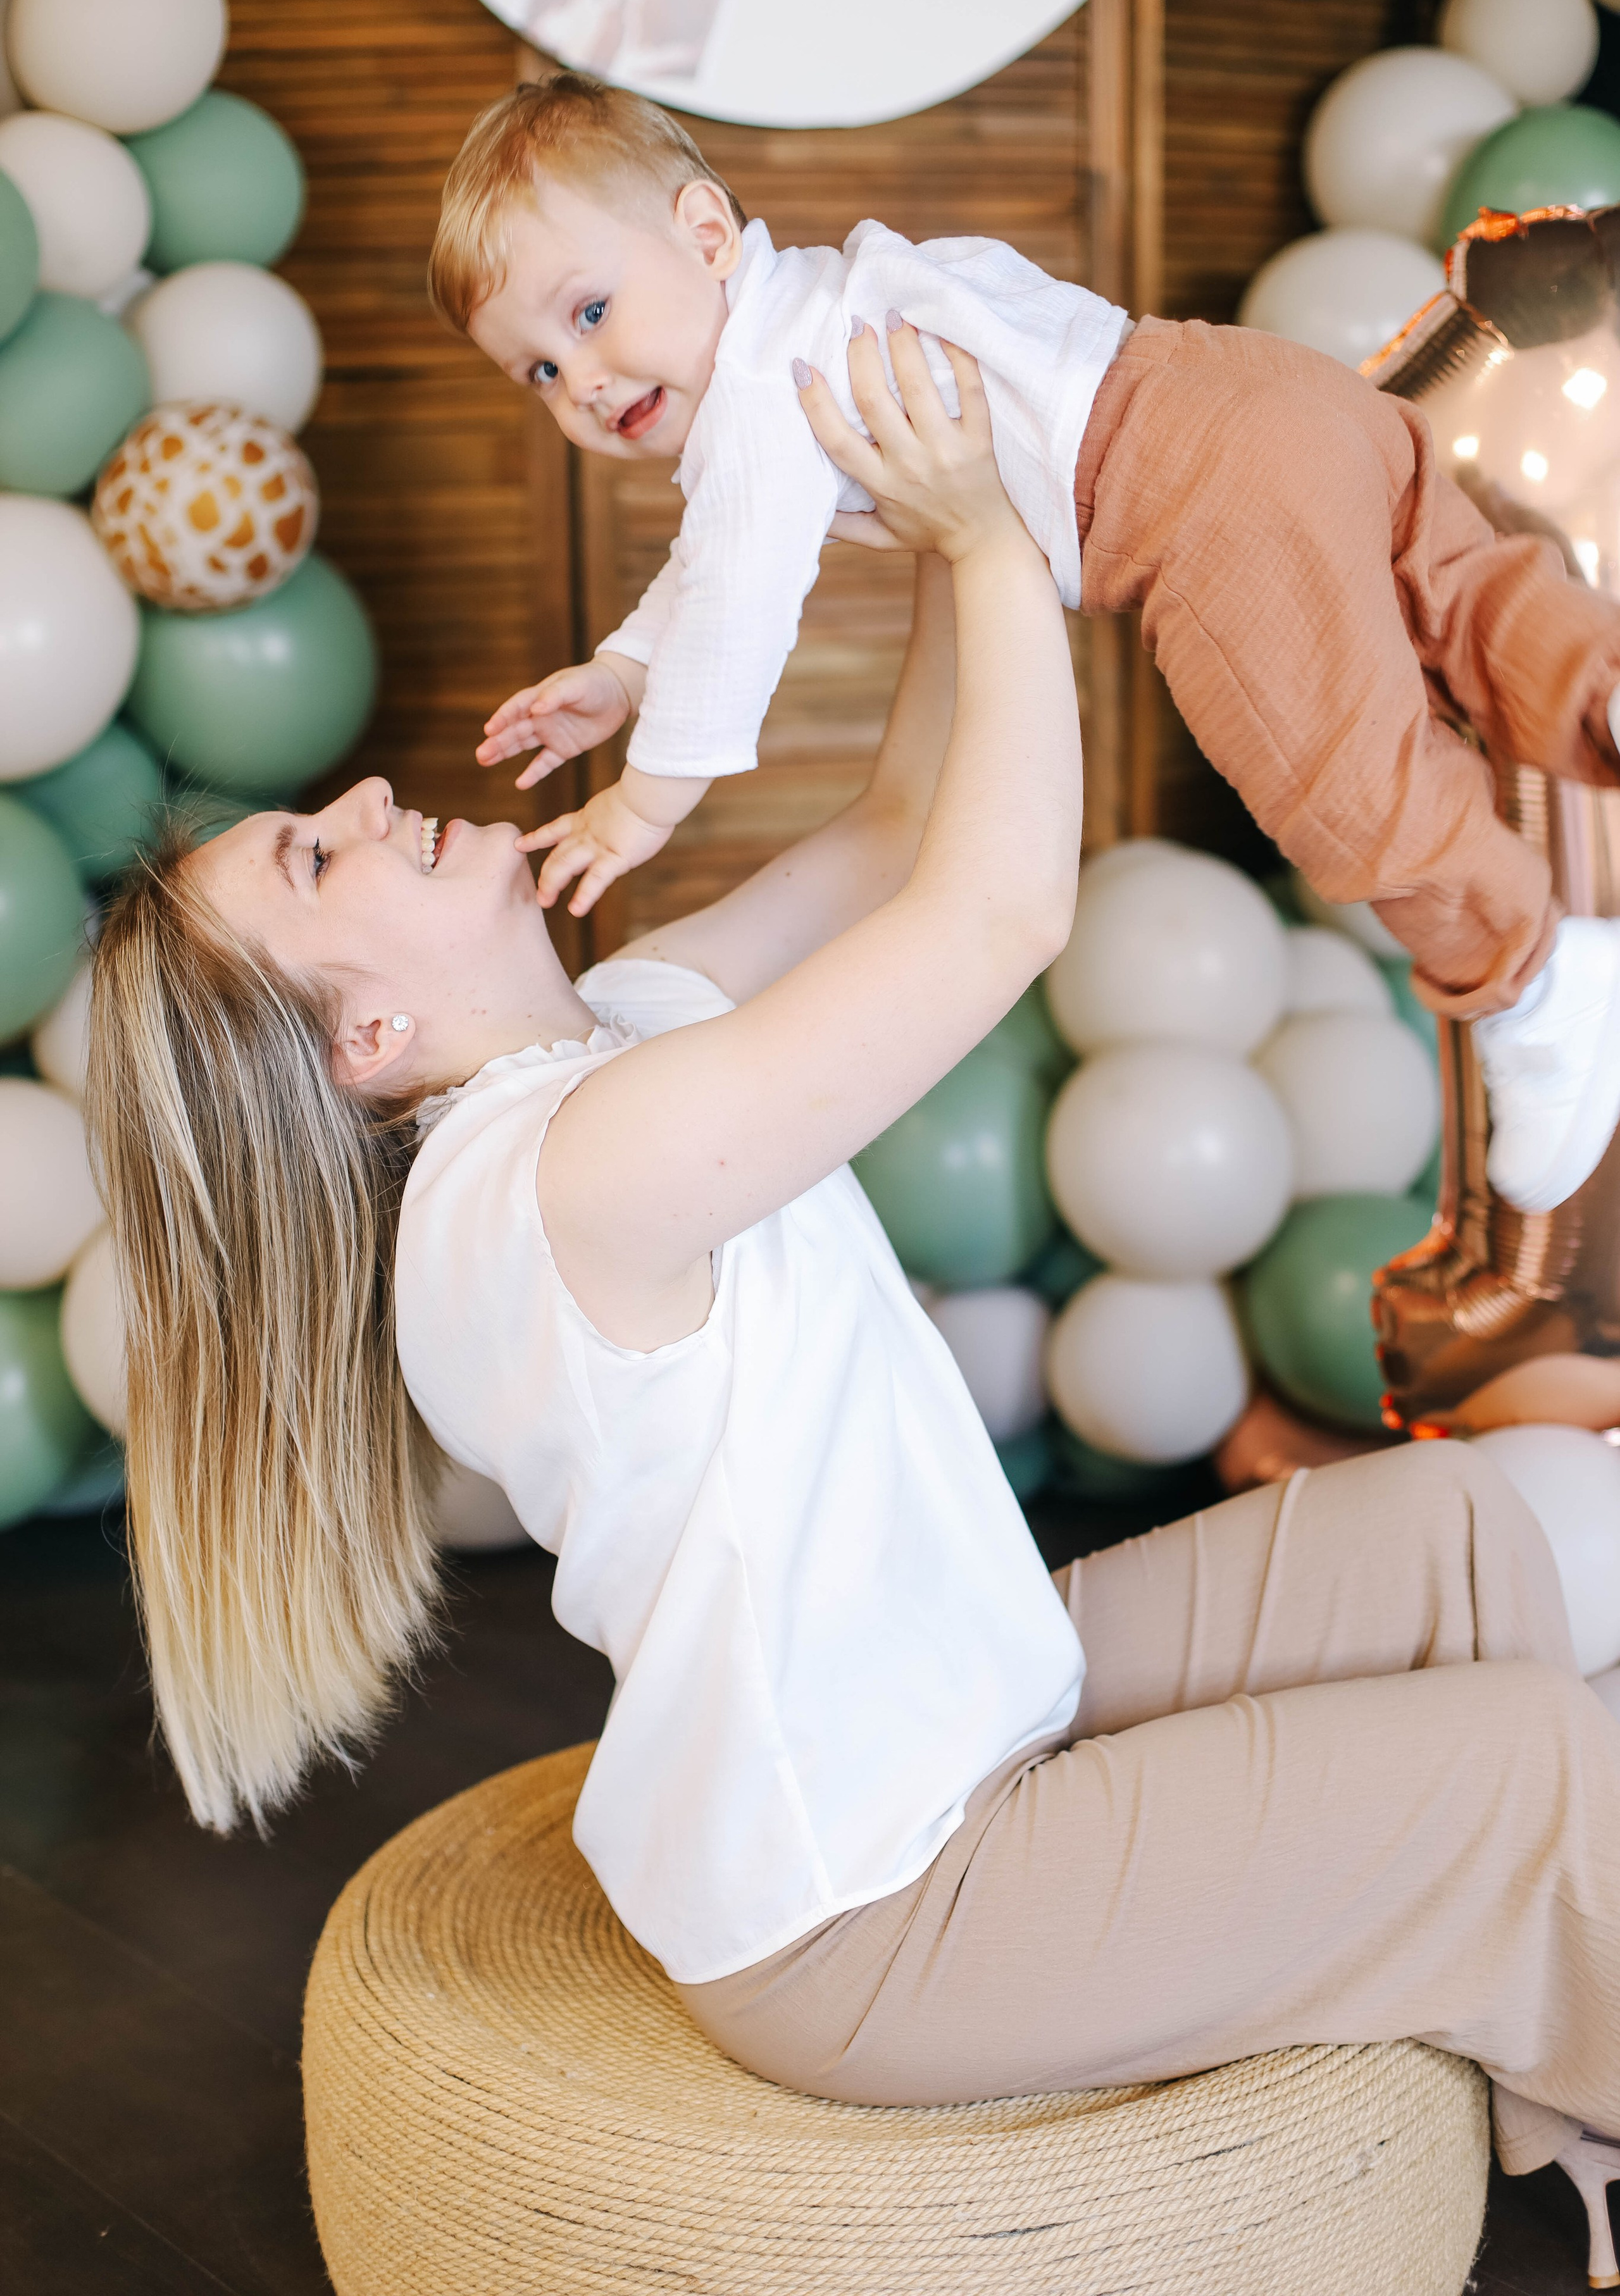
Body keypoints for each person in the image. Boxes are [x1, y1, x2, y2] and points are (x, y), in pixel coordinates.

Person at [87, 329, 1619, 2271]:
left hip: (974, 1700)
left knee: (1505, 1532)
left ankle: (1566, 2045)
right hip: (883, 1909)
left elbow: (900, 835)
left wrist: (954, 510)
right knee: (1531, 1767)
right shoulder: (557, 1186)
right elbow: (998, 917)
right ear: (365, 1036)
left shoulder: (598, 1055)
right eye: (320, 854)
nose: (377, 791)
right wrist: (994, 541)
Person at [430, 70, 1620, 1220]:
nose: (582, 380)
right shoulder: (812, 305)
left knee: (1339, 777)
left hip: (1187, 501)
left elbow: (739, 598)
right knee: (1459, 586)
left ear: (703, 233)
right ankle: (1596, 686)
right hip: (1250, 388)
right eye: (538, 369)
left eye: (589, 314)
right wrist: (624, 674)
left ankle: (1536, 976)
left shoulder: (760, 386)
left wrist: (643, 806)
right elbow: (707, 566)